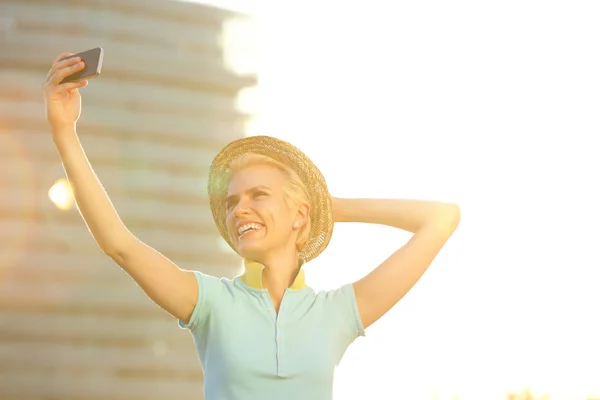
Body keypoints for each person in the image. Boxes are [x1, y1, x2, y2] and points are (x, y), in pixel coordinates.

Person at [42, 53, 461, 400]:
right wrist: (65, 132)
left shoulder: (337, 313)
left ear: (300, 213)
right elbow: (119, 244)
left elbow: (441, 218)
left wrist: (327, 206)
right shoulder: (211, 303)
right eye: (232, 202)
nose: (239, 209)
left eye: (258, 195)